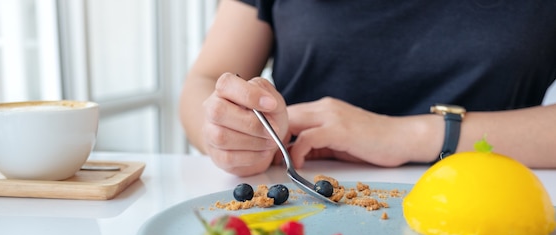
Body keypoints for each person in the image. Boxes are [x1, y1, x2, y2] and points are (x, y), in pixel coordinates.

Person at [179, 0, 556, 177]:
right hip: (297, 200)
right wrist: (232, 135)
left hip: (493, 206)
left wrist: (406, 135)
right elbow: (206, 79)